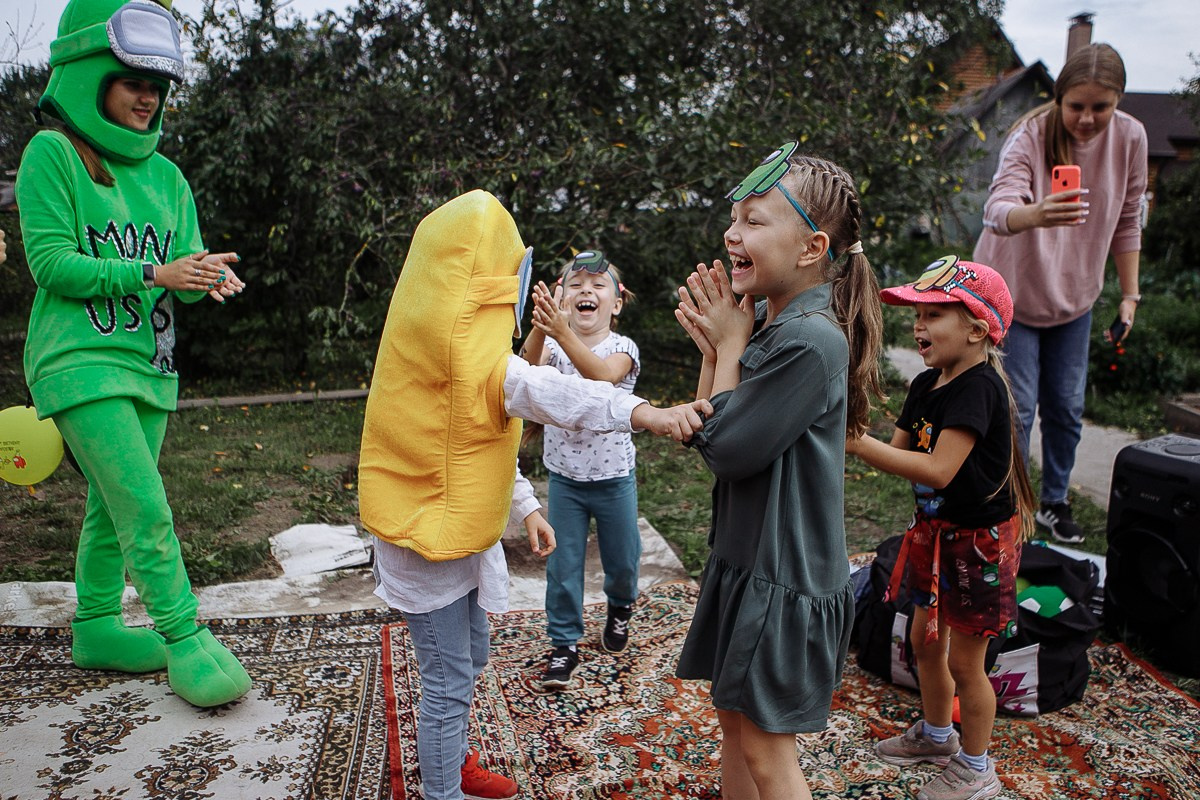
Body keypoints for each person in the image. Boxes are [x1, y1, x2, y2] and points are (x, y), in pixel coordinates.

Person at [359, 190, 711, 800]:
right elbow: (562, 393)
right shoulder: (475, 366)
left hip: (453, 532)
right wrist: (652, 415)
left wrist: (524, 507)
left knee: (469, 655)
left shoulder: (430, 355)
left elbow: (481, 444)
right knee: (447, 681)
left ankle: (457, 762)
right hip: (428, 548)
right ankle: (443, 790)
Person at [17, 0, 248, 708]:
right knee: (145, 506)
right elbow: (50, 264)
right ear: (91, 78)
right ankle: (183, 636)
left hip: (148, 366)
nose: (148, 97)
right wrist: (153, 275)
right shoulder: (52, 155)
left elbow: (184, 258)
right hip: (76, 360)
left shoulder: (168, 177)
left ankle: (96, 628)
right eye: (131, 81)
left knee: (112, 507)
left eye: (157, 85)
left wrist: (205, 274)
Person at [673, 143, 884, 800]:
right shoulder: (772, 322)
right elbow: (711, 429)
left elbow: (729, 448)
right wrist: (719, 347)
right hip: (750, 561)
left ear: (810, 248)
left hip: (783, 577)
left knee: (768, 750)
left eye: (757, 220)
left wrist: (730, 344)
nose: (734, 233)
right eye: (735, 217)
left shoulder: (810, 340)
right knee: (735, 724)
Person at [846, 257, 1037, 800]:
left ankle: (977, 770)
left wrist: (858, 443)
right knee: (922, 641)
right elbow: (898, 450)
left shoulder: (979, 389)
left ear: (978, 330)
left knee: (964, 661)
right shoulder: (928, 382)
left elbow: (937, 469)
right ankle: (936, 737)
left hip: (978, 545)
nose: (918, 325)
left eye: (934, 314)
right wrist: (851, 435)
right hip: (935, 533)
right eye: (917, 314)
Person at [973, 42, 1147, 544]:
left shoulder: (1131, 138)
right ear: (1058, 98)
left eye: (1100, 107)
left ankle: (1053, 503)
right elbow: (997, 210)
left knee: (1067, 407)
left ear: (1118, 102)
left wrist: (1129, 296)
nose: (1087, 119)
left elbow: (1130, 220)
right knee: (1020, 407)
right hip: (1014, 293)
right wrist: (1037, 214)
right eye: (1076, 106)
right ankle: (1011, 505)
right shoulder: (1031, 134)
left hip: (1076, 297)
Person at [518, 250, 643, 689]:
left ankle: (621, 607)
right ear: (561, 298)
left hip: (614, 480)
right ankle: (564, 644)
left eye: (597, 285)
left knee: (622, 560)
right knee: (562, 565)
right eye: (575, 285)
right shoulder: (551, 345)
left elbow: (602, 379)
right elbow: (523, 372)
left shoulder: (621, 349)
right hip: (565, 480)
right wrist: (539, 326)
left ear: (617, 303)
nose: (586, 290)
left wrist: (561, 330)